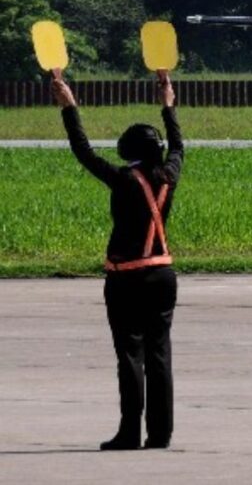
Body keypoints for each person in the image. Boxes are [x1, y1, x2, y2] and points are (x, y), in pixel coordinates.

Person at [52, 77, 183, 451]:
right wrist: (168, 106)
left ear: (131, 149)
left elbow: (84, 152)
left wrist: (69, 106)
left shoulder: (125, 179)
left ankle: (129, 432)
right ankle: (160, 434)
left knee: (130, 355)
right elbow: (178, 146)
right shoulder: (168, 176)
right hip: (163, 274)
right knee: (159, 355)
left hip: (127, 278)